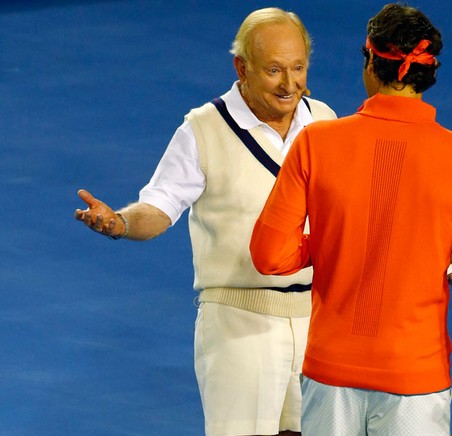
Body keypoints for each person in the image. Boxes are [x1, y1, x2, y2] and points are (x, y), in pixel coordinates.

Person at [73, 8, 336, 436]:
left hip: (320, 320)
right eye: (273, 70)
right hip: (238, 323)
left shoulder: (325, 120)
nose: (290, 85)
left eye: (298, 68)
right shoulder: (203, 128)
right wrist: (120, 222)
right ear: (242, 68)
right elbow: (158, 207)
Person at [249, 4, 452, 436]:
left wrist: (340, 241)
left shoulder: (316, 142)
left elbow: (269, 255)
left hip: (329, 378)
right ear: (429, 74)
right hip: (416, 383)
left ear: (371, 62)